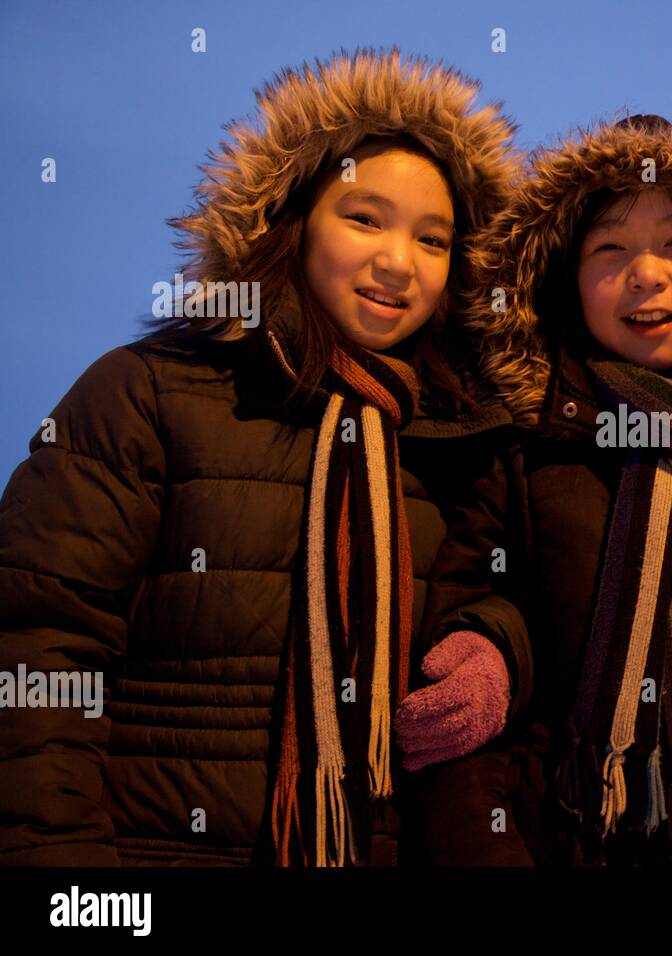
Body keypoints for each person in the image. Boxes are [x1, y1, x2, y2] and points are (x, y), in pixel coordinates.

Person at [0, 49, 519, 866]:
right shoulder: (149, 393)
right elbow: (36, 645)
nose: (397, 262)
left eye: (434, 239)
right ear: (292, 223)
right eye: (364, 218)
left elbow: (513, 593)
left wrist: (496, 645)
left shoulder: (458, 443)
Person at [396, 114, 672, 865]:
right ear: (565, 283)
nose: (645, 274)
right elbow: (472, 616)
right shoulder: (526, 456)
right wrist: (489, 650)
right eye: (609, 250)